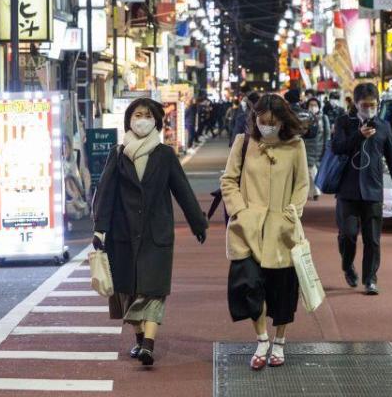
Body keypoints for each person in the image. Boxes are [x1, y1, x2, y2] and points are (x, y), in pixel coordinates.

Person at [93, 98, 208, 366]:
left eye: (146, 115)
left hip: (157, 233)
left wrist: (197, 223)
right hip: (123, 234)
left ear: (156, 120)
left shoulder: (165, 155)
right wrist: (100, 229)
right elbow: (105, 194)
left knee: (154, 290)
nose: (141, 120)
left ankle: (148, 344)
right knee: (129, 291)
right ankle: (139, 337)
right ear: (129, 120)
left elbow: (183, 191)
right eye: (136, 115)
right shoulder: (118, 153)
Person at [221, 94, 309, 371]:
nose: (266, 127)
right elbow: (228, 180)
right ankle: (261, 339)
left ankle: (279, 341)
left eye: (272, 122)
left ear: (283, 121)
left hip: (282, 230)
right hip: (247, 229)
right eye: (261, 121)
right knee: (249, 285)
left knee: (283, 291)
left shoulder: (295, 146)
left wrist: (291, 213)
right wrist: (240, 212)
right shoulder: (243, 142)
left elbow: (302, 184)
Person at [331, 83, 392, 295]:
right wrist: (358, 136)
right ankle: (347, 265)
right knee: (348, 235)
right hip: (348, 190)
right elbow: (337, 148)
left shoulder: (383, 126)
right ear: (355, 104)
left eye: (373, 105)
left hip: (373, 190)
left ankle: (370, 279)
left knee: (372, 239)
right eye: (365, 105)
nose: (369, 109)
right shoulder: (344, 123)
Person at [302, 96, 331, 200]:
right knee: (311, 171)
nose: (313, 107)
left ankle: (314, 191)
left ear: (319, 106)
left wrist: (327, 148)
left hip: (320, 149)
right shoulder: (304, 118)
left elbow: (327, 135)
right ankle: (316, 192)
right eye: (311, 105)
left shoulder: (324, 118)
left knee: (316, 171)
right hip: (307, 149)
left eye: (315, 105)